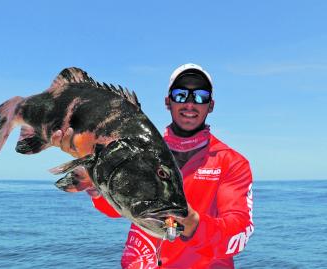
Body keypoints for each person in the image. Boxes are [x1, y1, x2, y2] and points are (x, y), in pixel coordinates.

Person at [51, 63, 254, 269]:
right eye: (181, 95)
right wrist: (94, 175)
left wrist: (194, 225)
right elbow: (116, 209)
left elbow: (239, 235)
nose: (190, 104)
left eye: (200, 96)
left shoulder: (232, 162)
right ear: (168, 101)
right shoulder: (141, 147)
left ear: (210, 105)